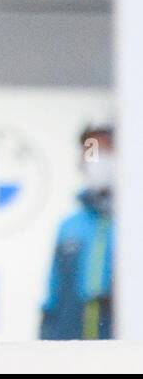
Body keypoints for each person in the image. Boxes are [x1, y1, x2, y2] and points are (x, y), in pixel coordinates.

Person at [40, 125, 114, 340]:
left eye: (107, 150)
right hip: (71, 333)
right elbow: (54, 296)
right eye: (91, 151)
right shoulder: (70, 226)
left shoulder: (132, 227)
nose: (98, 160)